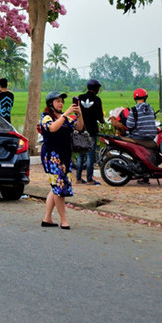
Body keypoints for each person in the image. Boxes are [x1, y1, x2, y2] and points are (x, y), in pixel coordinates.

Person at [38, 91, 83, 229]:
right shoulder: (46, 117)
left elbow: (79, 127)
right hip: (52, 156)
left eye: (62, 101)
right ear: (50, 103)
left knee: (56, 187)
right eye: (57, 101)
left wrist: (79, 114)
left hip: (65, 156)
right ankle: (64, 220)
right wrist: (66, 114)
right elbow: (52, 128)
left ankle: (47, 219)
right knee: (59, 187)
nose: (61, 103)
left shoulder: (66, 118)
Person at [76, 79, 104, 185]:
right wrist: (103, 121)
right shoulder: (97, 100)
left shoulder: (80, 97)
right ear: (96, 88)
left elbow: (76, 112)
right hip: (92, 130)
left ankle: (78, 179)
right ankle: (89, 179)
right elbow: (100, 117)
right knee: (90, 155)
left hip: (80, 129)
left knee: (80, 154)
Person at [122, 88, 159, 164]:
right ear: (145, 97)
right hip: (151, 137)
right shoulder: (151, 108)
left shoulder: (134, 109)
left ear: (135, 98)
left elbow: (129, 125)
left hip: (139, 137)